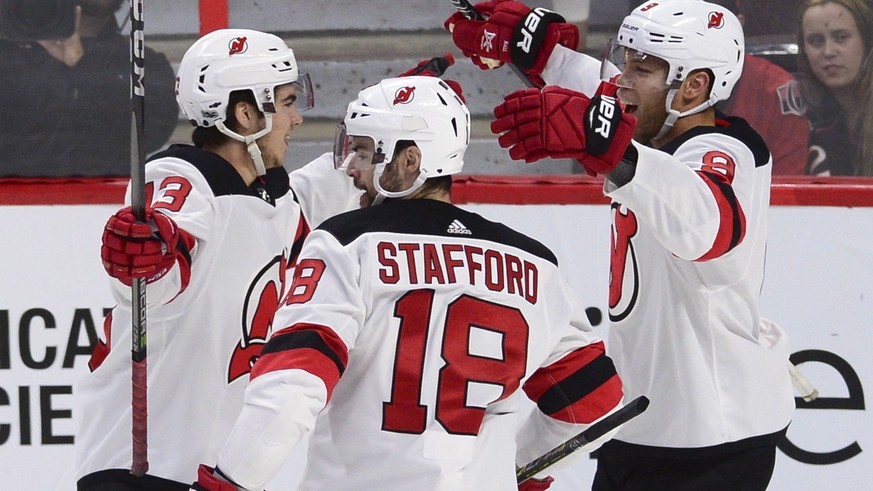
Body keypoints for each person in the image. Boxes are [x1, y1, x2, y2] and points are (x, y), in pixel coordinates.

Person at [192, 75, 626, 491]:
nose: (351, 168)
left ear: (410, 160)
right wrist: (520, 467)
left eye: (363, 152)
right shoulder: (534, 263)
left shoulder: (347, 242)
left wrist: (233, 481)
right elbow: (592, 398)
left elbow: (293, 385)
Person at [446, 1, 795, 490]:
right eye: (625, 60)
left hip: (712, 440)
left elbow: (707, 224)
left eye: (641, 68)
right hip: (639, 426)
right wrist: (539, 54)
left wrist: (611, 147)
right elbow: (608, 100)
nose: (622, 79)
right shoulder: (653, 123)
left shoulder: (723, 150)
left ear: (694, 86)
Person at [74, 28, 359, 490]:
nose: (297, 117)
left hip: (214, 476)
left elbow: (331, 182)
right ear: (247, 114)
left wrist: (393, 119)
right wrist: (152, 249)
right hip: (144, 472)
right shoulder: (184, 176)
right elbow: (159, 254)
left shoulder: (276, 201)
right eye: (287, 102)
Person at [0, 0, 178, 177]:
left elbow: (153, 132)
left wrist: (82, 64)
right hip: (13, 200)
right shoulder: (8, 59)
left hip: (110, 200)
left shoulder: (142, 63)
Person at [710, 0, 809, 175]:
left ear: (739, 22)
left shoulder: (776, 89)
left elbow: (790, 182)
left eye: (712, 26)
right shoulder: (659, 81)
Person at [798, 0, 873, 176]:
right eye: (816, 41)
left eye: (841, 37)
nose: (828, 51)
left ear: (867, 43)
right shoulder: (809, 120)